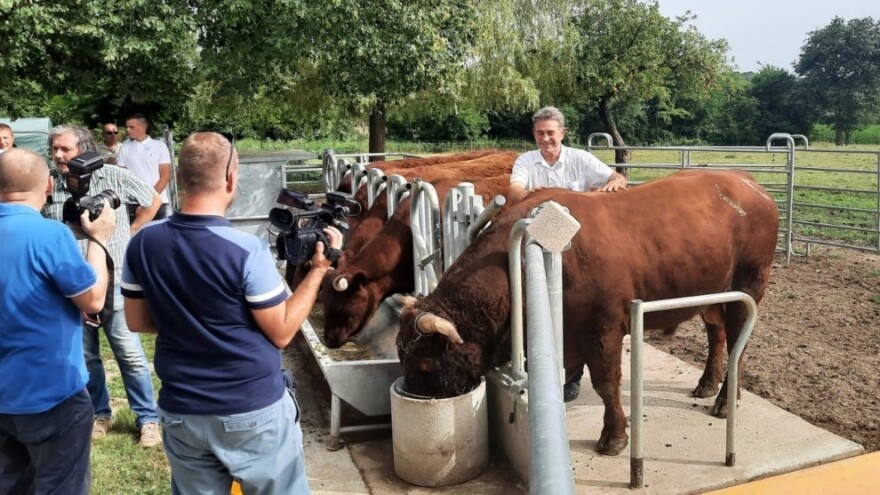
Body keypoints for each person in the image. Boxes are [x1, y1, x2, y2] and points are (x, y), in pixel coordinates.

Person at [122, 132, 341, 494]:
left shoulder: (143, 241)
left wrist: (191, 322)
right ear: (231, 178)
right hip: (251, 410)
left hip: (182, 411)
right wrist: (318, 269)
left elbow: (138, 321)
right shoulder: (245, 249)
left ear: (178, 177)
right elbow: (283, 331)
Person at [0, 148, 116, 495]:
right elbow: (93, 299)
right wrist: (99, 239)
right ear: (49, 185)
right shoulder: (49, 235)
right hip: (52, 393)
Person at [42, 124, 164, 447]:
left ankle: (148, 419)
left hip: (115, 282)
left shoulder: (114, 176)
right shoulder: (50, 187)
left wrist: (134, 231)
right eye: (55, 150)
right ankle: (100, 414)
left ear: (83, 149)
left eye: (64, 149)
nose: (58, 156)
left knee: (130, 354)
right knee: (86, 357)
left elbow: (152, 200)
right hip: (73, 287)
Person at [508, 106, 628, 402]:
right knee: (539, 305)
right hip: (540, 241)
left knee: (574, 310)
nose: (545, 138)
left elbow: (616, 177)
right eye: (540, 133)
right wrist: (538, 197)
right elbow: (513, 191)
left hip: (578, 248)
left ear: (562, 133)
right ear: (533, 134)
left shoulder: (579, 158)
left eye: (551, 132)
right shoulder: (527, 160)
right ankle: (538, 367)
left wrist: (613, 183)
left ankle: (571, 375)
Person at [116, 113, 172, 219]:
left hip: (157, 201)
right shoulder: (125, 148)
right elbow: (121, 175)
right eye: (127, 127)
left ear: (143, 127)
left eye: (131, 127)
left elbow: (165, 176)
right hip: (133, 202)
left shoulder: (159, 146)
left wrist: (148, 200)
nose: (128, 130)